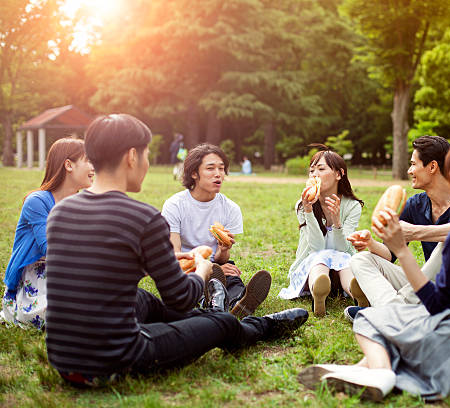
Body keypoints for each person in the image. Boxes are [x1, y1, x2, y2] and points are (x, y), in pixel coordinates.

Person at [44, 114, 308, 387]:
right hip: (112, 361)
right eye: (146, 155)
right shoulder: (142, 217)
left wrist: (149, 264)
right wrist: (202, 271)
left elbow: (102, 269)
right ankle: (256, 326)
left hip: (64, 359)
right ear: (132, 157)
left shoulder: (61, 211)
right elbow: (180, 298)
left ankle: (212, 311)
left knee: (142, 299)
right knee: (221, 325)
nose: (147, 163)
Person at [299, 128, 450, 401]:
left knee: (369, 319)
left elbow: (436, 306)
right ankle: (364, 370)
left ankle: (381, 371)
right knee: (389, 314)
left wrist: (403, 248)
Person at [346, 135, 450, 310]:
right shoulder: (414, 205)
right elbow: (390, 255)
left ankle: (394, 313)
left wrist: (416, 231)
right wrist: (371, 243)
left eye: (413, 164)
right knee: (361, 260)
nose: (409, 170)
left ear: (433, 166)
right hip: (429, 285)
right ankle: (393, 310)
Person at [162, 144, 271, 319]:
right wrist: (207, 267)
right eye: (210, 168)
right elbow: (174, 254)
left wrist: (223, 250)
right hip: (186, 266)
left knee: (232, 278)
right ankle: (211, 300)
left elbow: (221, 260)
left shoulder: (230, 208)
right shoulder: (175, 205)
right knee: (193, 283)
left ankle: (237, 303)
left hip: (215, 265)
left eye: (221, 168)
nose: (218, 174)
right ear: (194, 173)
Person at [0, 137, 94, 330]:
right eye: (89, 160)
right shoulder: (38, 201)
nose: (95, 167)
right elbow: (51, 249)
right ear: (69, 165)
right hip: (34, 284)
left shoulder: (83, 203)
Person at [278, 146, 365, 317]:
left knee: (345, 259)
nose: (314, 174)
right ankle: (318, 293)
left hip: (341, 266)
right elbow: (316, 247)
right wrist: (309, 211)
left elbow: (342, 248)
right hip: (311, 265)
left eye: (321, 169)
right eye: (311, 171)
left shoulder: (352, 206)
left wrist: (337, 222)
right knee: (320, 257)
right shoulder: (302, 205)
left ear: (339, 174)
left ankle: (357, 294)